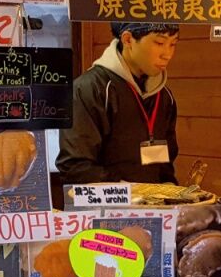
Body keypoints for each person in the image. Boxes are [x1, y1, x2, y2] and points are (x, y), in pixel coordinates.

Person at [58, 22, 180, 185]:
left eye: (173, 44)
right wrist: (132, 193)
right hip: (104, 208)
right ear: (128, 40)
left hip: (153, 208)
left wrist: (171, 192)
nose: (168, 54)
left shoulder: (165, 96)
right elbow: (75, 167)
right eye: (159, 43)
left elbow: (165, 168)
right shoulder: (88, 89)